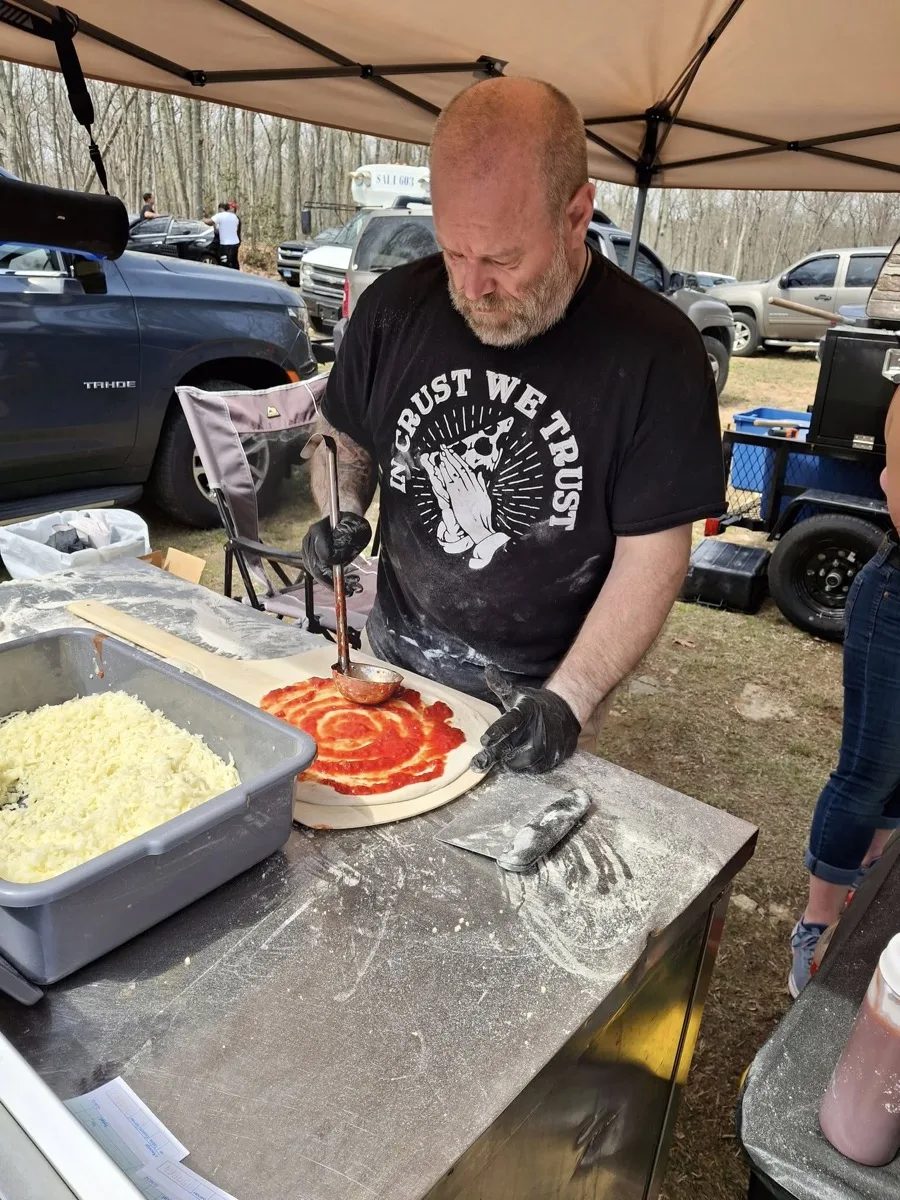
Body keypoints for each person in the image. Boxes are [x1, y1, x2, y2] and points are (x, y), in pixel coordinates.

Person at [302, 77, 725, 774]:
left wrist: (570, 700)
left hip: (546, 690)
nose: (471, 287)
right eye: (452, 252)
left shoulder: (657, 352)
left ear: (576, 215)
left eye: (502, 259)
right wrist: (339, 506)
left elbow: (654, 555)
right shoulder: (392, 309)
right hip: (394, 661)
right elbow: (339, 438)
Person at [790, 386, 900, 996]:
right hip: (895, 601)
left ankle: (861, 895)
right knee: (868, 771)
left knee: (898, 775)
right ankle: (817, 926)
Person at [204, 202, 240, 269]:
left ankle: (226, 276)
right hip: (235, 243)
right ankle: (236, 275)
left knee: (225, 263)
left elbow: (209, 222)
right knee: (234, 262)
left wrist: (203, 220)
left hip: (226, 244)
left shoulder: (221, 215)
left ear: (222, 209)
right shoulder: (235, 217)